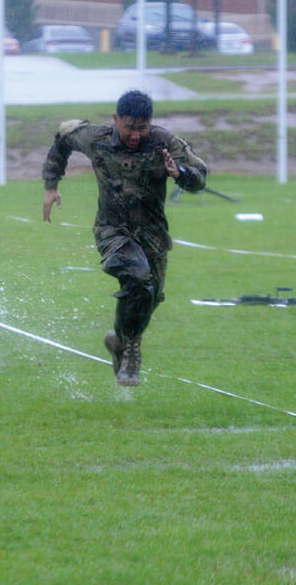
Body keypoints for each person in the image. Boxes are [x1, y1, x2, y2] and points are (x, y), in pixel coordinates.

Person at [42, 89, 208, 386]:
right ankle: (131, 357)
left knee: (149, 297)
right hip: (113, 230)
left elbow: (200, 176)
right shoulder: (96, 137)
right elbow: (63, 135)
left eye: (142, 128)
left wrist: (180, 172)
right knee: (138, 277)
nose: (135, 134)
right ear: (116, 119)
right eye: (129, 127)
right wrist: (51, 184)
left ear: (150, 123)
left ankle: (118, 340)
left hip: (153, 234)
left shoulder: (164, 141)